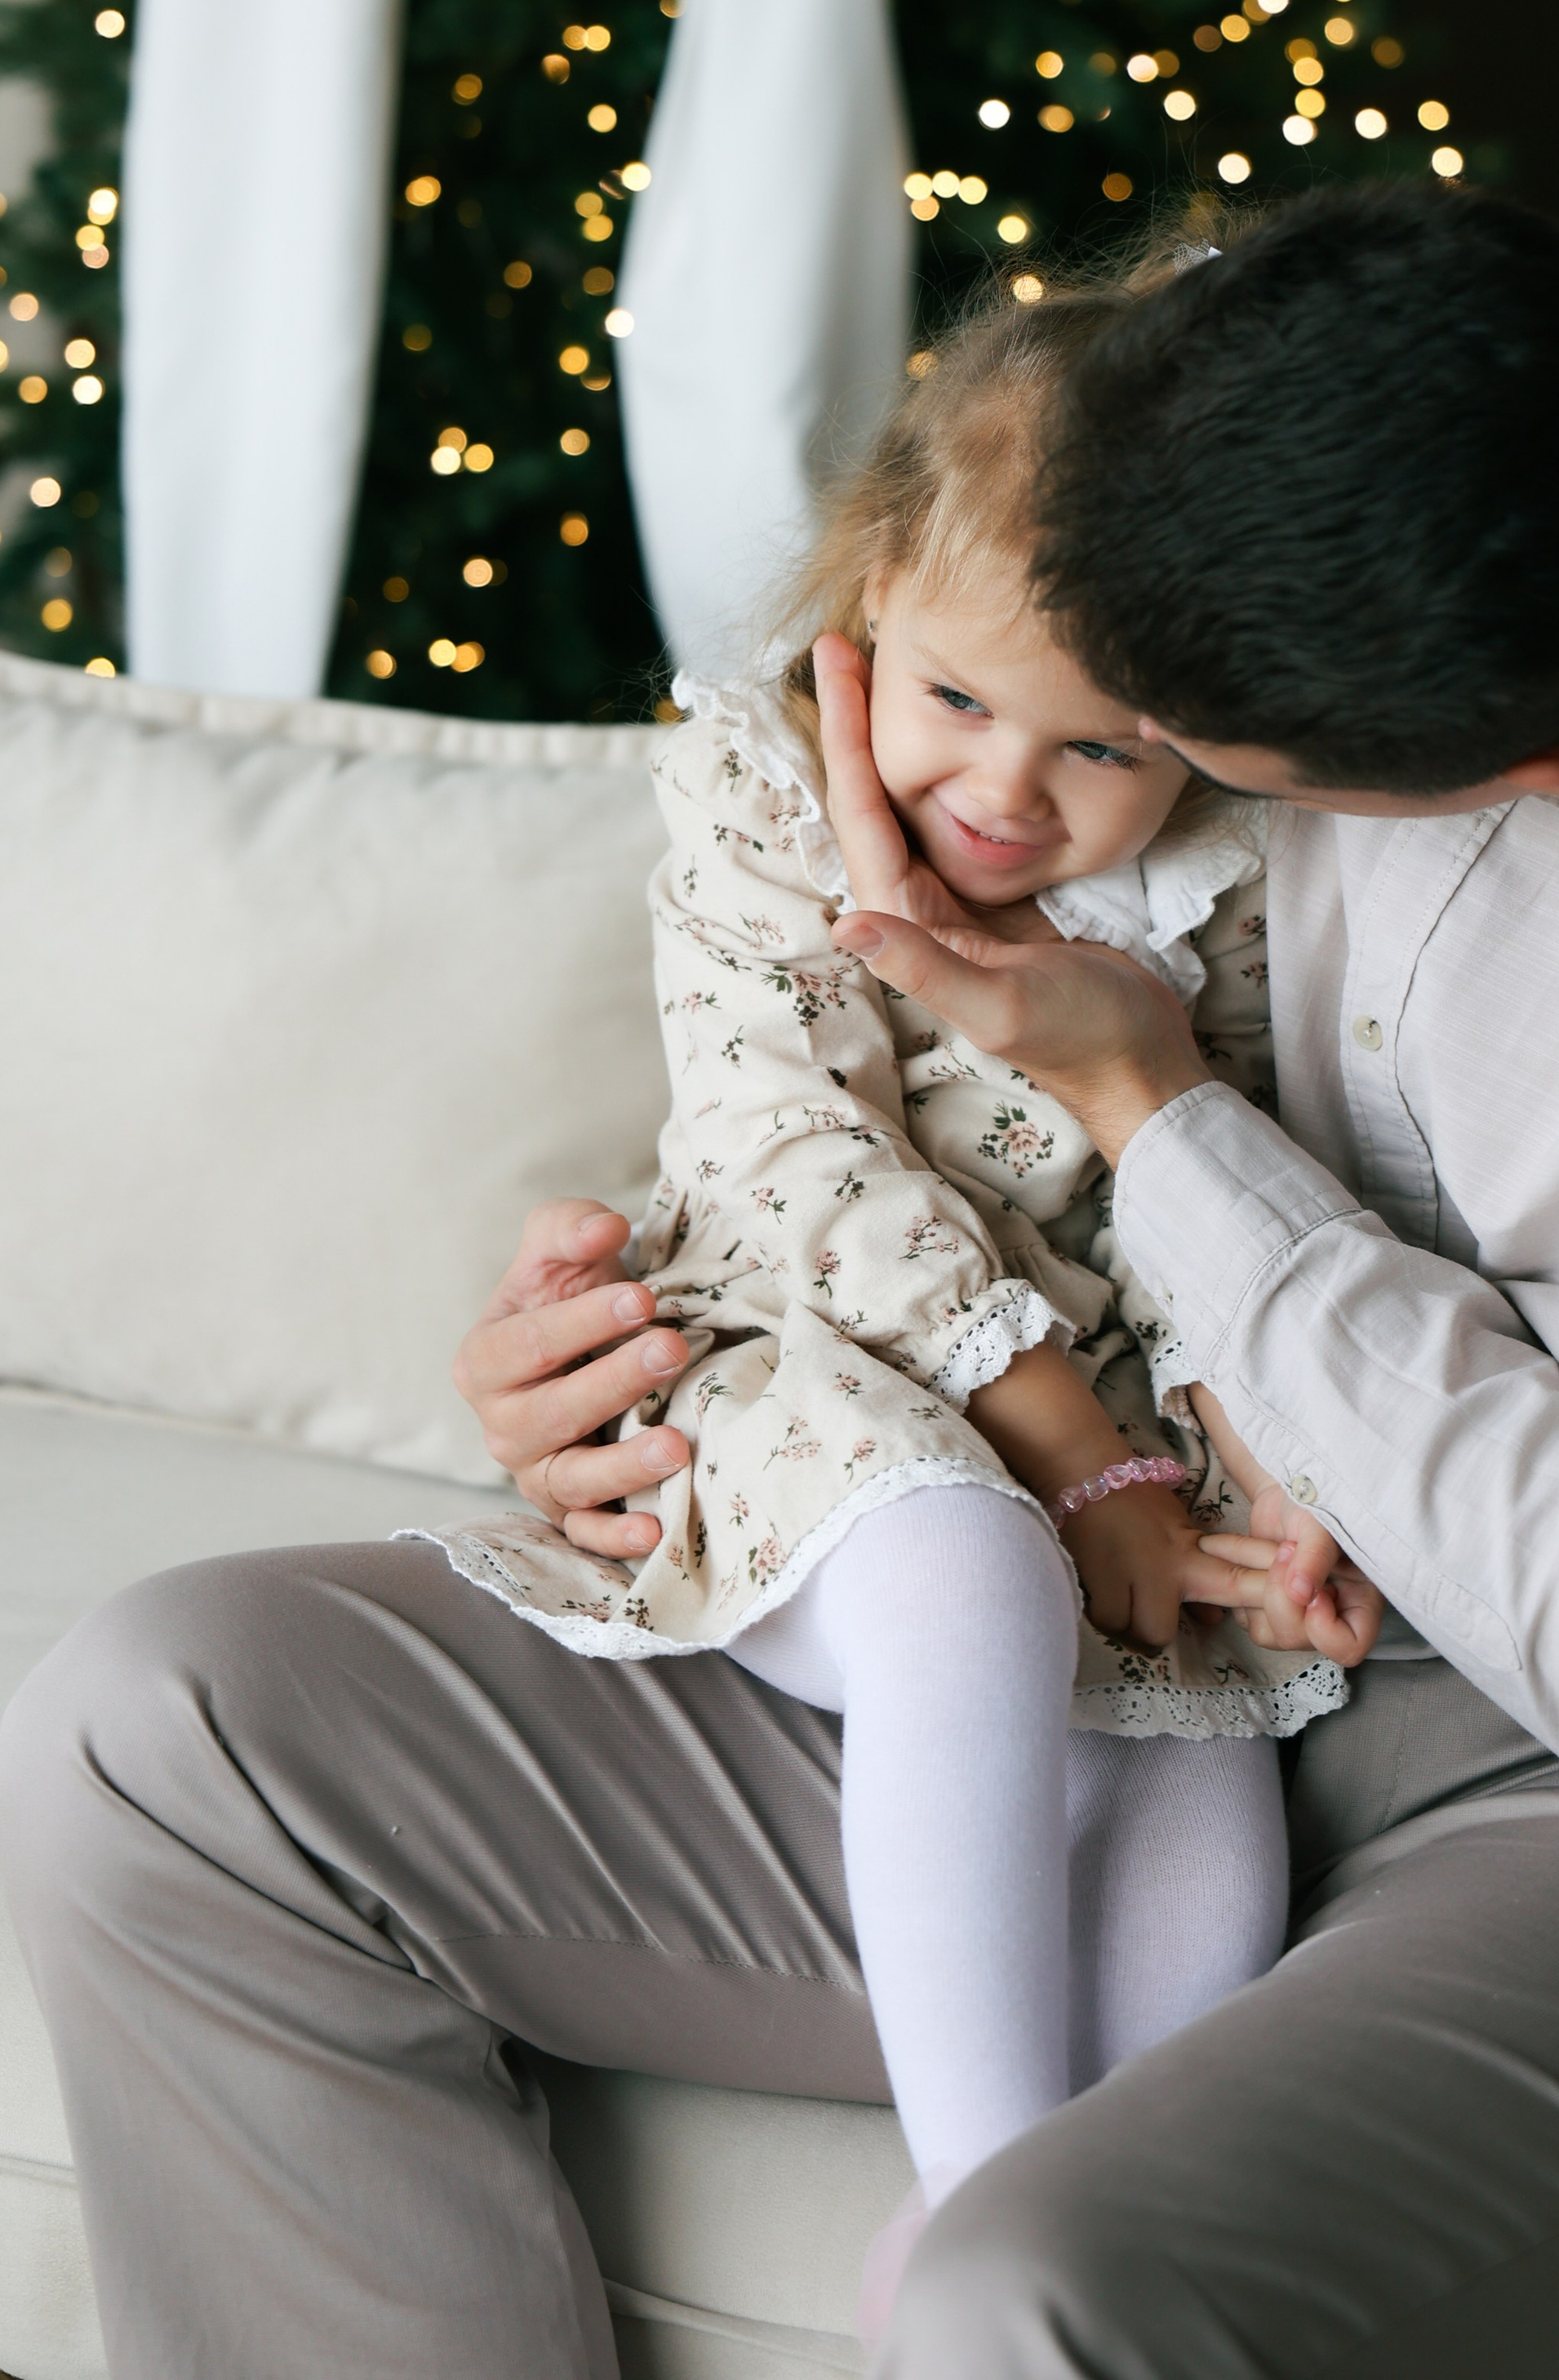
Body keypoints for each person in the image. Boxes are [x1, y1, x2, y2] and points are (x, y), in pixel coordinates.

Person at [6, 187, 1559, 2380]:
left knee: (1046, 2298)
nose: (1030, 797)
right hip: (1117, 1565)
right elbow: (832, 1041)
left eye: (1155, 777)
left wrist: (1158, 1118)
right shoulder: (1257, 397)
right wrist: (669, 1363)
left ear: (1543, 788)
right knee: (173, 1740)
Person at [403, 289, 1372, 2309]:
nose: (1009, 790)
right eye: (952, 702)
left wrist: (1246, 1460)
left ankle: (1087, 2236)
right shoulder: (758, 791)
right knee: (959, 1570)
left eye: (1101, 742)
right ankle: (992, 2195)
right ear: (863, 617)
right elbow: (787, 1146)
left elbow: (1218, 1180)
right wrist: (1070, 1451)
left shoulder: (1224, 881)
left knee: (1201, 1716)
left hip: (1104, 1405)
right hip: (797, 1357)